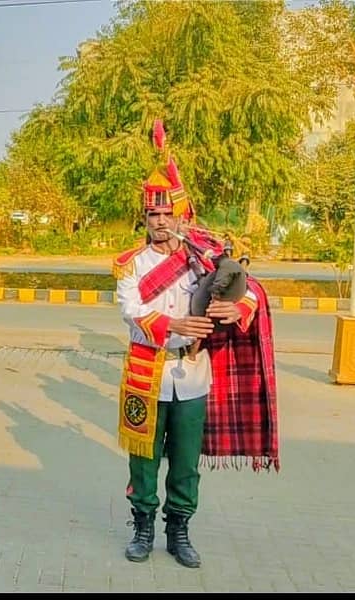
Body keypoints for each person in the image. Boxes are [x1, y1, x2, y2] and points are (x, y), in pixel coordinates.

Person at [113, 120, 278, 569]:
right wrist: (174, 324)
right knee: (143, 459)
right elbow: (131, 310)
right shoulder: (129, 264)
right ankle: (142, 527)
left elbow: (247, 287)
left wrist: (238, 308)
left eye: (168, 215)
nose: (161, 222)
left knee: (185, 462)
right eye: (153, 215)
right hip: (146, 369)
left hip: (193, 374)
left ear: (181, 216)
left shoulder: (201, 257)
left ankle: (179, 529)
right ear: (144, 218)